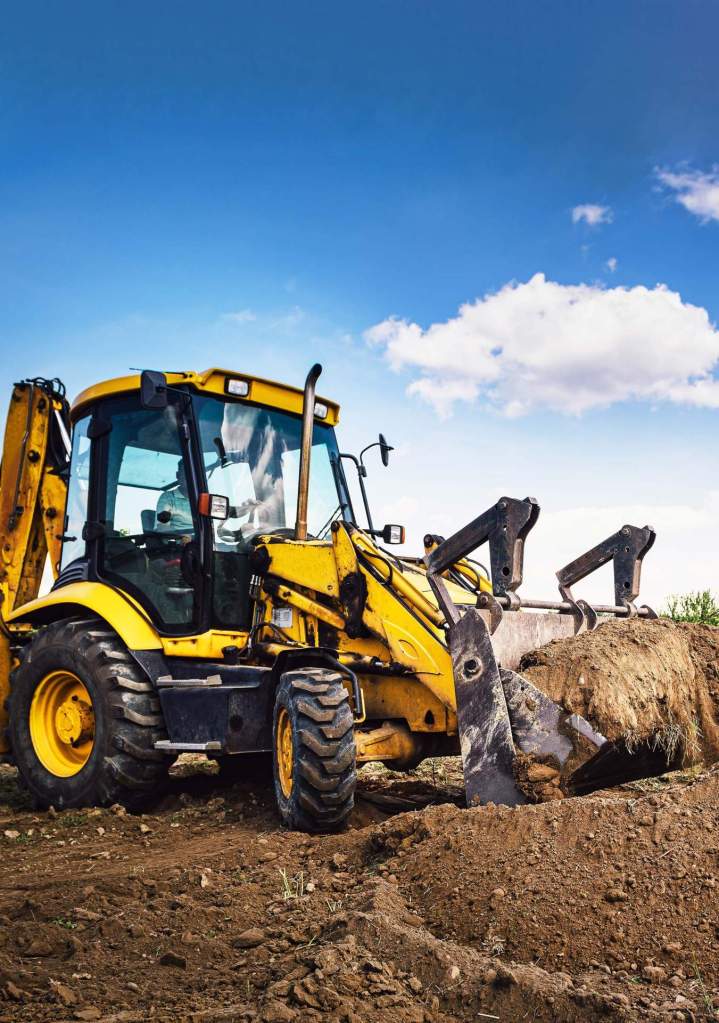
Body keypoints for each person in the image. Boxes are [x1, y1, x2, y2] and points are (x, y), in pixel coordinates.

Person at [155, 460, 194, 534]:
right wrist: (185, 537)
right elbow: (162, 527)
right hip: (180, 543)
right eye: (184, 473)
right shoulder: (167, 498)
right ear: (178, 475)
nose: (188, 477)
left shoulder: (203, 499)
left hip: (203, 541)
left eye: (191, 473)